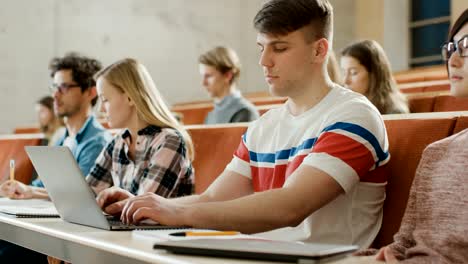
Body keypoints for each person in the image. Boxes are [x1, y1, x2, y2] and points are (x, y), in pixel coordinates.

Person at [97, 0, 389, 249]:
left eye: (280, 48)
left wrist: (174, 212)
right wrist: (140, 204)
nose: (264, 60)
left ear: (319, 50)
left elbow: (290, 207)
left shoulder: (353, 115)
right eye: (261, 47)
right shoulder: (264, 126)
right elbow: (212, 198)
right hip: (259, 254)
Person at [0, 52, 111, 263]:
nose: (56, 96)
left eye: (64, 87)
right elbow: (43, 184)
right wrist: (22, 190)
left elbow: (79, 196)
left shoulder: (98, 141)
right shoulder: (62, 137)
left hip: (72, 235)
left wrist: (31, 191)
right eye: (54, 88)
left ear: (90, 91)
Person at [86, 58, 194, 198]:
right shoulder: (118, 142)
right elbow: (88, 193)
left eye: (105, 100)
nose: (100, 109)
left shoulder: (170, 141)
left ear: (130, 98)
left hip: (156, 220)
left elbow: (144, 209)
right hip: (124, 220)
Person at [340, 40, 409, 114]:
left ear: (374, 74)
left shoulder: (395, 111)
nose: (345, 81)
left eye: (353, 73)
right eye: (344, 73)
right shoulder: (349, 106)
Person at [199, 46, 260, 124]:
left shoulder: (245, 112)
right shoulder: (209, 116)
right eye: (203, 76)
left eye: (208, 76)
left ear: (228, 75)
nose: (203, 83)